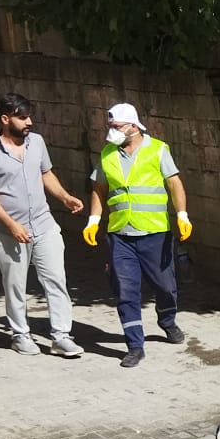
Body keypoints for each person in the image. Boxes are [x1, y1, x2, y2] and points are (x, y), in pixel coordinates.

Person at [0, 93, 84, 357]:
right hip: (11, 232)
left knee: (56, 280)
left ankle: (61, 337)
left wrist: (65, 197)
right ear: (5, 119)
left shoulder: (37, 143)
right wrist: (11, 225)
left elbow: (46, 173)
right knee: (15, 285)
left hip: (44, 225)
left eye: (29, 116)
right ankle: (21, 335)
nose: (29, 122)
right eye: (22, 118)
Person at [83, 102, 191, 368]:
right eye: (110, 126)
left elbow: (174, 183)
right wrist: (94, 220)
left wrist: (182, 214)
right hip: (120, 234)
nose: (112, 132)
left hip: (154, 231)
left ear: (133, 126)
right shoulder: (108, 153)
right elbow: (99, 188)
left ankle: (167, 320)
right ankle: (134, 345)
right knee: (125, 290)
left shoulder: (157, 149)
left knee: (165, 286)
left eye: (117, 127)